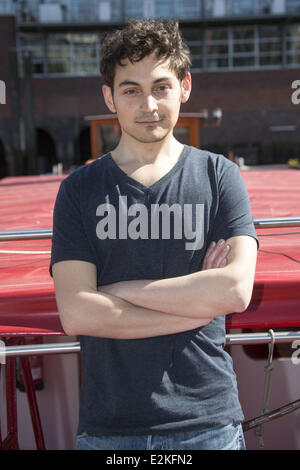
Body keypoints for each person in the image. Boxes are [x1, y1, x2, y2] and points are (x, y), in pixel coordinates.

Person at [49, 18, 259, 451]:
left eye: (161, 87)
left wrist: (120, 289)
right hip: (108, 431)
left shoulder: (220, 176)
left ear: (184, 87)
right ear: (109, 97)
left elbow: (235, 290)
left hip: (208, 423)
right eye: (131, 90)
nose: (149, 104)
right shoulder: (79, 190)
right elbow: (78, 314)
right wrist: (194, 309)